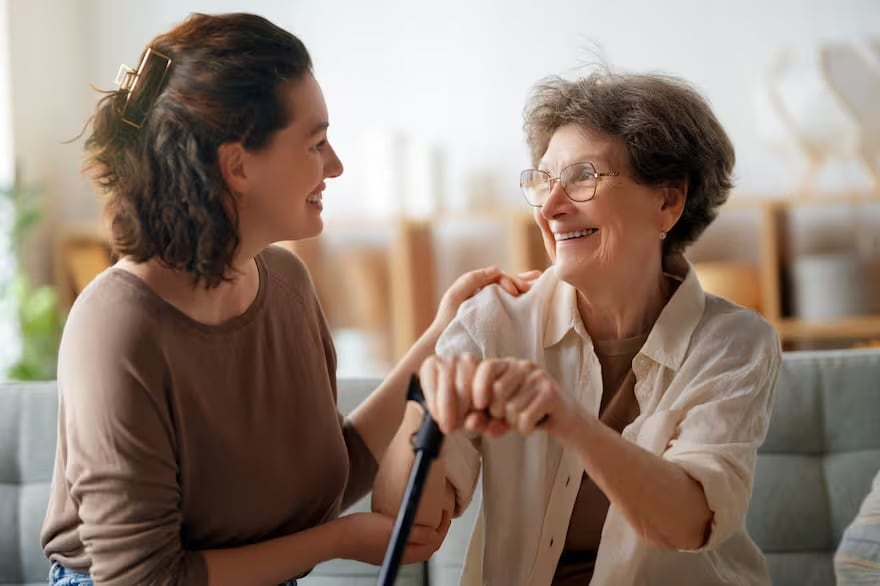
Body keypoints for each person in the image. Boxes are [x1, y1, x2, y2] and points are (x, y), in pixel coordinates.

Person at [40, 12, 536, 586]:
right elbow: (140, 580)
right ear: (238, 165)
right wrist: (341, 541)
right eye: (316, 143)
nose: (335, 166)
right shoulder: (117, 327)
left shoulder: (286, 283)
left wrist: (442, 330)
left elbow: (324, 473)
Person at [373, 69, 781, 585]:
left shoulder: (735, 344)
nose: (550, 207)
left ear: (668, 202)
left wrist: (568, 421)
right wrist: (426, 405)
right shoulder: (492, 323)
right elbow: (401, 526)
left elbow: (689, 521)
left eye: (583, 177)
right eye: (543, 180)